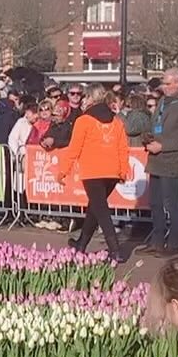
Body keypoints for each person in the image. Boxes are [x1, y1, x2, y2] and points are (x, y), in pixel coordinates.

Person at [53, 84, 130, 261]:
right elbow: (123, 148)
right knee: (95, 208)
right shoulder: (116, 121)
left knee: (101, 210)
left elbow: (74, 149)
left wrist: (63, 171)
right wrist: (123, 171)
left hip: (92, 171)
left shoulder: (84, 121)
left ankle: (115, 249)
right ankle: (82, 243)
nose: (82, 100)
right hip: (112, 172)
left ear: (91, 99)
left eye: (85, 97)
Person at [141, 67, 178, 256]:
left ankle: (174, 242)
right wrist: (148, 136)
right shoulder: (164, 101)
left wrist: (163, 146)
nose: (163, 87)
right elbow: (155, 125)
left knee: (170, 202)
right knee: (155, 202)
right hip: (155, 159)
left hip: (171, 159)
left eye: (167, 83)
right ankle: (156, 240)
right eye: (163, 83)